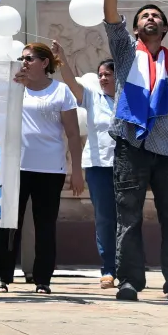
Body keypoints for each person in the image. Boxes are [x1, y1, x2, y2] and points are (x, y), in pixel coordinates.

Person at [103, 0, 168, 302]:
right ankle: (129, 281)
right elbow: (111, 18)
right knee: (128, 217)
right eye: (145, 15)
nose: (150, 18)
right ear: (136, 28)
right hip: (131, 145)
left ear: (164, 28)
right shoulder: (127, 53)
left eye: (156, 16)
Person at [0, 43, 84, 294]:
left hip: (50, 169)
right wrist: (12, 85)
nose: (24, 62)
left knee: (45, 226)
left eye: (29, 58)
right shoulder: (13, 86)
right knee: (9, 224)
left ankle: (43, 279)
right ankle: (1, 276)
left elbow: (73, 134)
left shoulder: (61, 91)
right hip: (16, 166)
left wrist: (76, 170)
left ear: (44, 63)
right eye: (21, 58)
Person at [53, 42, 118, 289]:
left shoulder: (127, 98)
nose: (102, 78)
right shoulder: (93, 97)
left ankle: (129, 265)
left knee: (127, 218)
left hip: (127, 167)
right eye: (100, 74)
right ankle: (108, 268)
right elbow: (71, 83)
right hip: (99, 166)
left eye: (108, 75)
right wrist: (62, 59)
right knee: (104, 217)